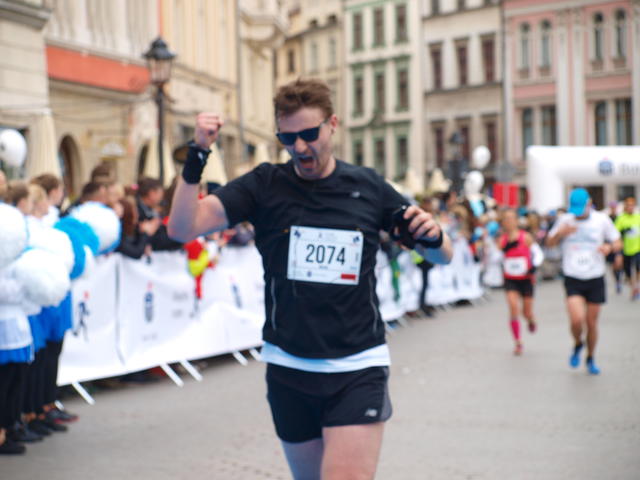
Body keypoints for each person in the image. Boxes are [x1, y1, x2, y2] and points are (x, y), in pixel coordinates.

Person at [168, 78, 453, 480]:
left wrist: (435, 236)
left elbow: (441, 256)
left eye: (309, 134)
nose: (300, 147)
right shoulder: (265, 185)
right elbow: (182, 228)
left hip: (357, 365)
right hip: (289, 366)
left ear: (332, 124)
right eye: (288, 138)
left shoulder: (367, 187)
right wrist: (197, 154)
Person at [546, 188, 621, 375]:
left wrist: (609, 247)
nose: (578, 214)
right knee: (576, 320)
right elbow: (549, 243)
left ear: (589, 204)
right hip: (573, 276)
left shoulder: (601, 219)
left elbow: (617, 241)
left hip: (595, 276)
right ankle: (578, 343)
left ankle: (590, 357)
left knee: (591, 323)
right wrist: (560, 233)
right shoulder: (565, 220)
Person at [499, 208, 538, 355]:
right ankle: (518, 342)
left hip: (526, 279)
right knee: (513, 307)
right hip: (510, 279)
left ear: (516, 221)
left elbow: (537, 254)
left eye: (511, 218)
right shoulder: (502, 240)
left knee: (526, 313)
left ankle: (531, 319)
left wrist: (533, 267)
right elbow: (496, 257)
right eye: (506, 219)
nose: (508, 221)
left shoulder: (525, 237)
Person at [614, 197, 640, 300]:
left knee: (638, 268)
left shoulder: (638, 217)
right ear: (625, 206)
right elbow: (615, 233)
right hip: (626, 249)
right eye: (628, 205)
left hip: (638, 248)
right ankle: (633, 287)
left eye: (632, 205)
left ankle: (637, 286)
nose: (630, 207)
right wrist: (623, 231)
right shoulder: (621, 218)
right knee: (628, 271)